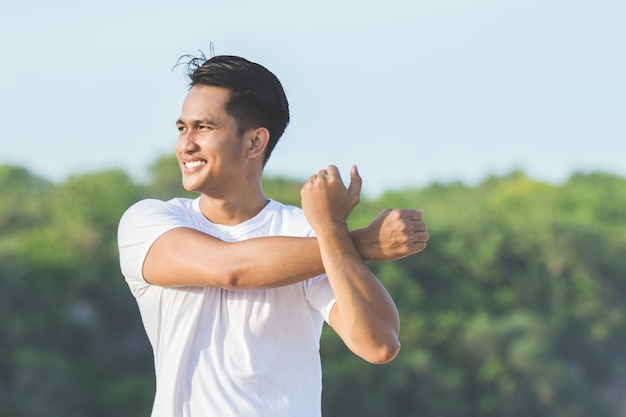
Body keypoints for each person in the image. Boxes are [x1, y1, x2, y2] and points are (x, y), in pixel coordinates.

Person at [117, 54, 429, 417]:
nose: (185, 144)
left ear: (254, 143)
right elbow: (231, 269)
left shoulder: (309, 234)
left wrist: (331, 230)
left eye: (203, 128)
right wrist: (360, 242)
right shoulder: (149, 221)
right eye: (182, 127)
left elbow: (378, 345)